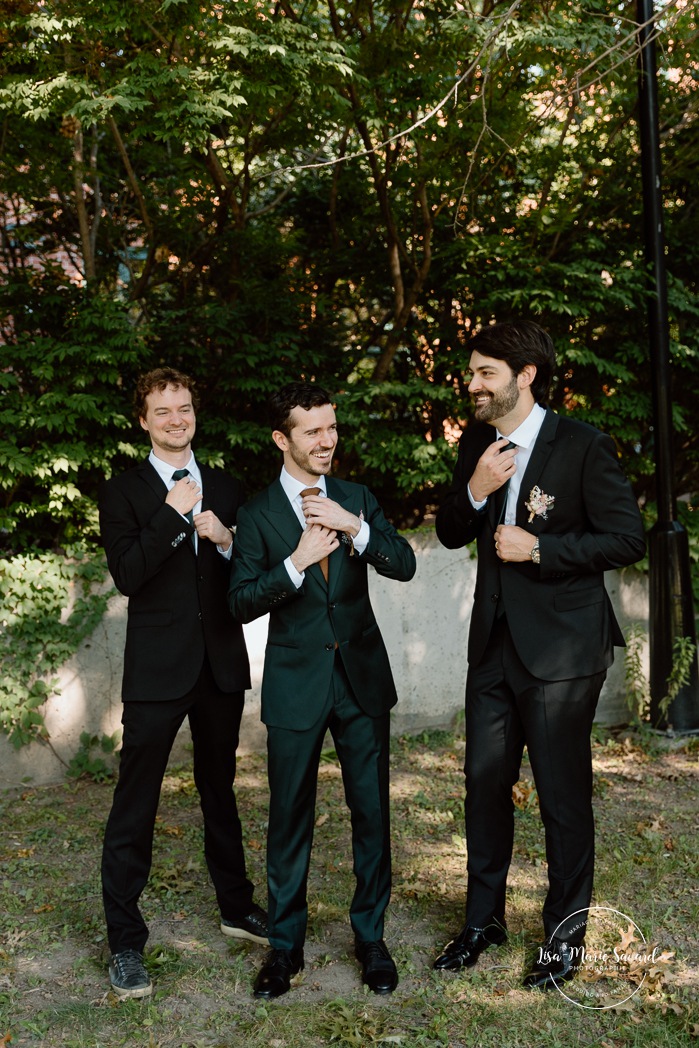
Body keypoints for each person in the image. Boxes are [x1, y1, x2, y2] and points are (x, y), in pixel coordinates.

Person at [433, 321, 645, 989]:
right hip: (492, 648)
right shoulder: (476, 440)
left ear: (523, 377)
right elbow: (446, 529)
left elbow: (626, 539)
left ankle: (563, 940)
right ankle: (480, 922)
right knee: (482, 785)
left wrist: (543, 550)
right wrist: (474, 486)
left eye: (484, 373)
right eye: (472, 373)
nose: (472, 385)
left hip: (561, 651)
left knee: (560, 796)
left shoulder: (582, 446)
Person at [229, 382, 416, 999]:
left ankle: (371, 938)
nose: (327, 440)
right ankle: (285, 950)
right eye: (312, 431)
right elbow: (240, 602)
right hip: (296, 684)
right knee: (288, 820)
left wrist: (353, 527)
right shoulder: (257, 514)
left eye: (331, 428)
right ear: (282, 439)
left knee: (372, 813)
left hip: (361, 680)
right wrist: (295, 563)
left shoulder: (356, 497)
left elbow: (403, 562)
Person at [98, 367, 267, 999]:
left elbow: (244, 574)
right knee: (135, 803)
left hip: (218, 666)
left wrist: (225, 542)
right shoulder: (123, 492)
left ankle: (236, 906)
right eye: (163, 412)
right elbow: (129, 576)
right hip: (157, 672)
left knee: (220, 791)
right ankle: (125, 943)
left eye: (185, 409)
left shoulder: (224, 483)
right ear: (143, 420)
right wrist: (171, 516)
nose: (177, 420)